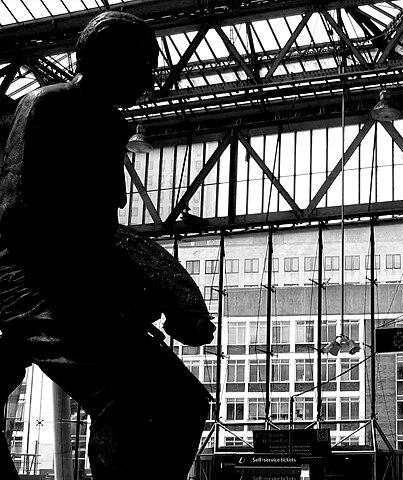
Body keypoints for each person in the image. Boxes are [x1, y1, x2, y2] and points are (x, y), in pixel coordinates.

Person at [0, 12, 215, 480]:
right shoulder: (49, 106)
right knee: (129, 397)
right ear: (101, 60)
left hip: (84, 290)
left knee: (185, 401)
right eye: (142, 65)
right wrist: (104, 305)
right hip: (33, 284)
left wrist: (122, 303)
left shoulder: (107, 127)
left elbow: (100, 232)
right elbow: (21, 219)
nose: (148, 77)